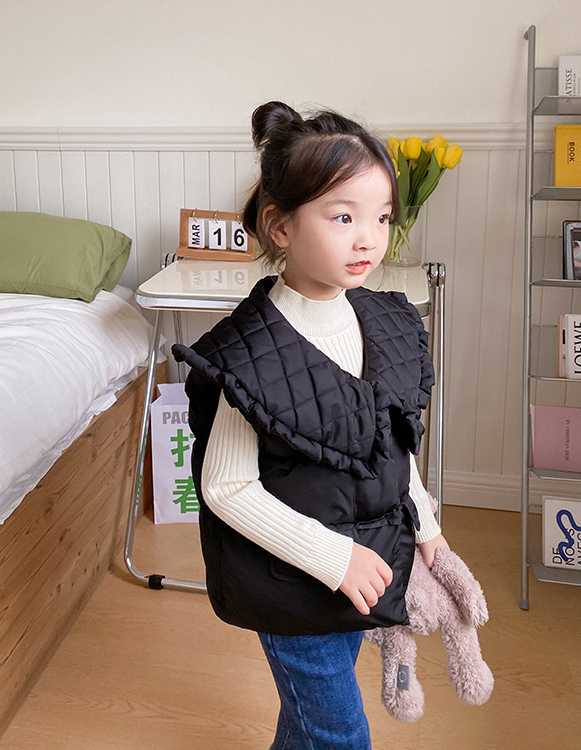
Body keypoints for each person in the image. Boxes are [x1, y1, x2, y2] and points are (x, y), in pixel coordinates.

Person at [173, 101, 449, 750]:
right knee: (339, 735)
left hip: (364, 564)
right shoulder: (249, 354)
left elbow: (395, 442)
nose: (368, 239)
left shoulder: (385, 320)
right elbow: (226, 488)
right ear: (280, 226)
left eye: (382, 217)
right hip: (292, 583)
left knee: (308, 724)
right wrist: (334, 556)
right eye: (343, 217)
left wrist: (425, 522)